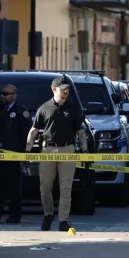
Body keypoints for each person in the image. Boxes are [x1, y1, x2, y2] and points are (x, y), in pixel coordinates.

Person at [27, 76, 87, 232]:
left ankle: (63, 220)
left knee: (66, 187)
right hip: (48, 150)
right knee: (45, 187)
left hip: (68, 149)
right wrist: (27, 150)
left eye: (67, 89)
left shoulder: (73, 108)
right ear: (54, 90)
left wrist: (85, 150)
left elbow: (80, 131)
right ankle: (48, 215)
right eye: (62, 89)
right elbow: (34, 130)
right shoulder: (44, 108)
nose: (66, 91)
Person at [0, 84, 32, 224]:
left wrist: (24, 155)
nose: (2, 96)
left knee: (14, 188)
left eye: (6, 94)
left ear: (14, 95)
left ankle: (14, 216)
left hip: (13, 156)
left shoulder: (21, 112)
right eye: (1, 93)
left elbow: (26, 134)